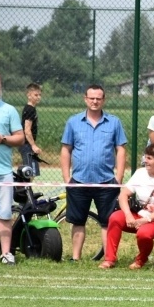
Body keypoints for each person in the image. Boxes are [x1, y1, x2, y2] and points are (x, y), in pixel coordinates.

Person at [60, 84, 127, 262]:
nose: (95, 101)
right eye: (92, 98)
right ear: (85, 99)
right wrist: (67, 178)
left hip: (106, 182)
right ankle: (76, 258)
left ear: (103, 100)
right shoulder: (73, 122)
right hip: (79, 181)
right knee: (78, 221)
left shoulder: (114, 122)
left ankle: (108, 259)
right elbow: (66, 149)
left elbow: (120, 150)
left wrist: (118, 178)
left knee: (108, 222)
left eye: (98, 98)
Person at [98, 143, 154, 270]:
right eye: (145, 157)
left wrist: (146, 220)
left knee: (144, 233)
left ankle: (141, 260)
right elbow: (123, 195)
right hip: (138, 215)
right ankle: (109, 259)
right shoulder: (140, 173)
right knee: (114, 217)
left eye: (149, 158)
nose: (145, 161)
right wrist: (129, 215)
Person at [0, 71, 26, 265]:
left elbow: (20, 138)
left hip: (3, 172)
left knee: (4, 214)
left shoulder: (9, 110)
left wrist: (3, 138)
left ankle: (6, 254)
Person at [19, 82, 42, 176]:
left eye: (40, 95)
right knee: (30, 172)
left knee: (30, 172)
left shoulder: (31, 108)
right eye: (36, 95)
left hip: (27, 145)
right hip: (26, 145)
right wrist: (33, 145)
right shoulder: (30, 109)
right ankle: (25, 190)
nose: (38, 97)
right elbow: (27, 130)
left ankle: (25, 190)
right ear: (29, 95)